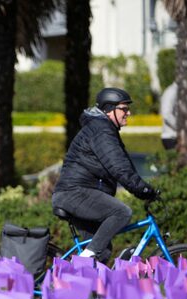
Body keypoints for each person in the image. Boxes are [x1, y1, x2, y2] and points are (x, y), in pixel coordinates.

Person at [51, 87, 158, 264]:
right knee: (121, 212)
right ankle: (82, 261)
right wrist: (144, 190)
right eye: (124, 109)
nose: (128, 113)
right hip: (75, 193)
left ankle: (81, 276)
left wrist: (142, 188)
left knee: (102, 253)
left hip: (74, 193)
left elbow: (125, 165)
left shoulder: (103, 129)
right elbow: (119, 168)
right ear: (109, 110)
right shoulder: (101, 131)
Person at [160, 81, 178, 150]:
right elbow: (166, 115)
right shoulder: (171, 91)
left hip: (176, 136)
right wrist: (180, 128)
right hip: (171, 137)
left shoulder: (179, 91)